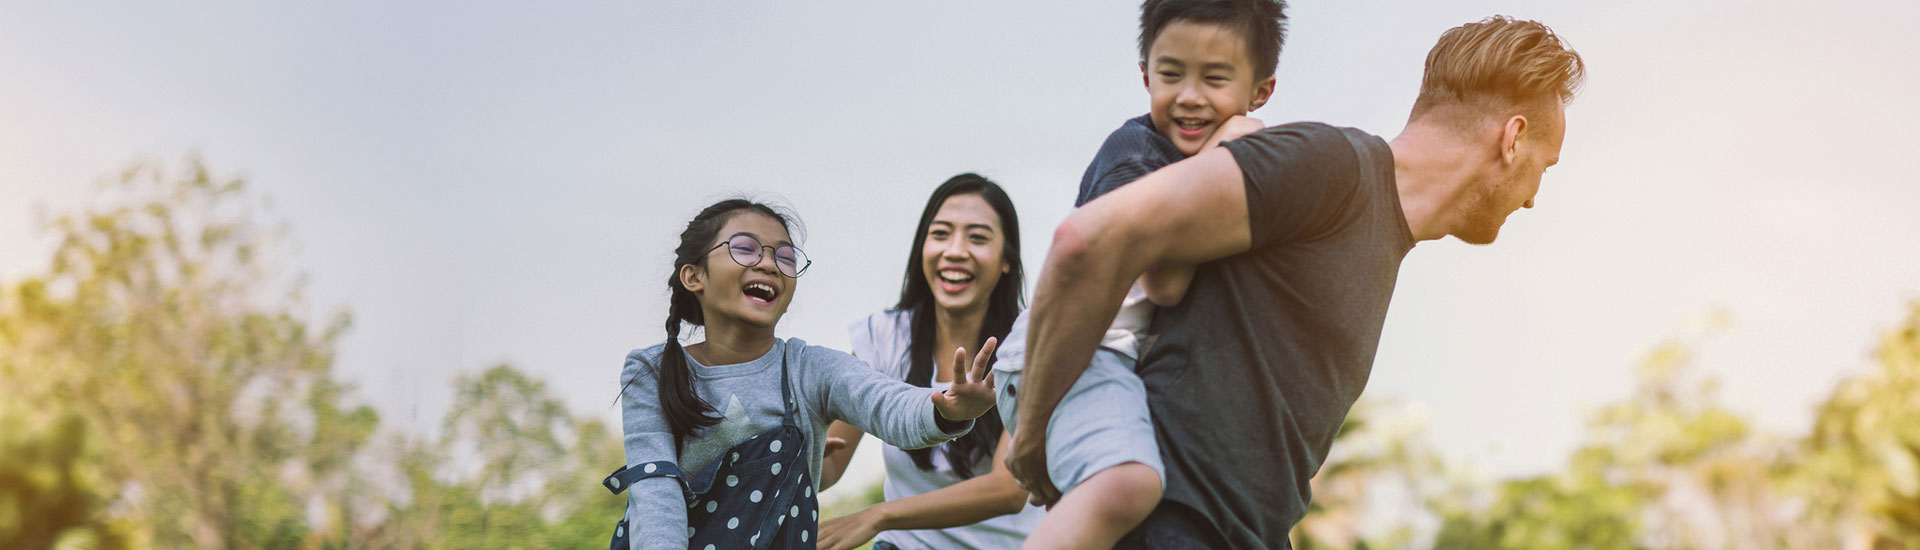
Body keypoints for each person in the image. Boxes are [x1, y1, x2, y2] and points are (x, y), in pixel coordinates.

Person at [1006, 16, 1586, 549]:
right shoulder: (1331, 167)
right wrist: (1030, 436)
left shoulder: (1382, 235)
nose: (1534, 196)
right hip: (1170, 524)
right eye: (1545, 165)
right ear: (1512, 139)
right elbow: (1086, 240)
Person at [990, 0, 1287, 547]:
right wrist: (1224, 149)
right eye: (1171, 75)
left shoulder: (1189, 160)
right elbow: (1164, 282)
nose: (1190, 96)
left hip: (1105, 363)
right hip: (1072, 358)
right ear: (1146, 74)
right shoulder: (1135, 156)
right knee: (1128, 483)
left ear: (1260, 90)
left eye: (1215, 78)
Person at [607, 198, 1000, 550]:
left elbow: (887, 403)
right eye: (745, 248)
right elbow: (656, 493)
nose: (768, 263)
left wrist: (947, 410)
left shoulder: (811, 369)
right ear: (694, 276)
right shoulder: (651, 371)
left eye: (785, 257)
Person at [815, 174, 1044, 550]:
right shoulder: (883, 338)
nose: (955, 250)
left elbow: (1008, 489)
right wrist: (805, 455)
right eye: (940, 234)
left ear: (1006, 260)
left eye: (978, 237)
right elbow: (830, 468)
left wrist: (878, 514)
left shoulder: (1030, 344)